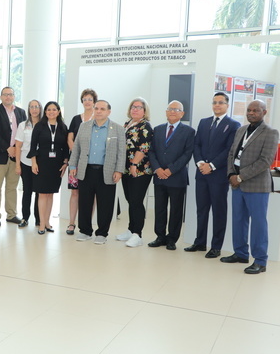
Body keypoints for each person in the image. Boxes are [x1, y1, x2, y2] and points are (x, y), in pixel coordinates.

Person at [221, 100, 279, 274]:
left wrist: (240, 176)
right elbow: (232, 153)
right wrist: (231, 174)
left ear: (264, 112)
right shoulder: (241, 130)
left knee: (258, 224)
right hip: (236, 184)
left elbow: (265, 161)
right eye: (249, 110)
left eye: (256, 110)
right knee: (238, 220)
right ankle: (240, 253)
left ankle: (260, 261)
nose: (251, 113)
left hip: (256, 185)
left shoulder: (270, 133)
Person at [185, 92, 240, 257]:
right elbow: (197, 145)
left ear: (227, 105)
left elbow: (229, 150)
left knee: (218, 210)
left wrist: (212, 165)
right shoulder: (204, 122)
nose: (217, 105)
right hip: (202, 173)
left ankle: (216, 246)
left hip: (218, 175)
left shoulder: (233, 125)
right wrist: (201, 163)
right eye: (215, 102)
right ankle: (200, 242)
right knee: (201, 210)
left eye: (221, 102)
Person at [69, 100, 125, 244]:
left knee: (105, 203)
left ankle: (102, 233)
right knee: (85, 202)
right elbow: (76, 148)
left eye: (102, 109)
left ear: (108, 111)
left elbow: (121, 153)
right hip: (85, 170)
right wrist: (72, 166)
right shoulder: (84, 126)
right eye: (96, 108)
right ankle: (85, 231)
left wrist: (119, 170)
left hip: (107, 171)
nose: (98, 111)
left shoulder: (117, 129)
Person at [148, 100, 195, 251]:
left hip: (177, 176)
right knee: (160, 208)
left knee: (176, 210)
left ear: (182, 113)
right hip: (159, 176)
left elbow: (187, 154)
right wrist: (157, 169)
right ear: (166, 112)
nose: (173, 112)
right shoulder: (158, 129)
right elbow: (151, 151)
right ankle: (160, 236)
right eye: (170, 109)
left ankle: (172, 239)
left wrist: (170, 170)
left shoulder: (189, 131)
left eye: (176, 109)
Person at [116, 97, 154, 248]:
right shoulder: (127, 124)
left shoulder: (145, 126)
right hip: (126, 168)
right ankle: (131, 230)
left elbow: (143, 148)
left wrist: (133, 164)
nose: (135, 109)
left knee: (137, 201)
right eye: (133, 106)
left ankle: (137, 235)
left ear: (144, 111)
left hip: (140, 170)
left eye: (139, 107)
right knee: (130, 199)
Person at [0, 86, 27, 226]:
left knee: (12, 187)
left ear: (14, 96)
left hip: (16, 157)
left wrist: (16, 149)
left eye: (10, 94)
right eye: (5, 95)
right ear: (1, 97)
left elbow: (24, 133)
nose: (8, 97)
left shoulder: (21, 113)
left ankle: (11, 214)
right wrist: (7, 148)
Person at [27, 101, 69, 234]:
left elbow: (66, 148)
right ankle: (41, 224)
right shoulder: (39, 126)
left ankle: (47, 222)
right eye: (49, 110)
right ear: (45, 112)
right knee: (42, 194)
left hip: (56, 164)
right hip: (42, 163)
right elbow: (33, 146)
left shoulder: (63, 127)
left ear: (58, 112)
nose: (51, 112)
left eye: (54, 109)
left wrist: (65, 162)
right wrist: (34, 162)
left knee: (50, 194)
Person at [66, 88, 97, 235]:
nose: (87, 102)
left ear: (94, 101)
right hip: (76, 162)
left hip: (92, 163)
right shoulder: (76, 119)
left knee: (91, 195)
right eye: (85, 99)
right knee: (75, 193)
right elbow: (69, 138)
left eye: (90, 99)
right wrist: (77, 154)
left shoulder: (98, 118)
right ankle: (71, 223)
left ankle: (86, 224)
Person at [15, 99, 41, 228]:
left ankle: (39, 219)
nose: (34, 109)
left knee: (39, 191)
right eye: (31, 107)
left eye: (36, 107)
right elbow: (18, 146)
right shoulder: (22, 125)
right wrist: (17, 165)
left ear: (40, 109)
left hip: (41, 163)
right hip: (25, 162)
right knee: (27, 191)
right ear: (28, 109)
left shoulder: (44, 124)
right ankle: (25, 218)